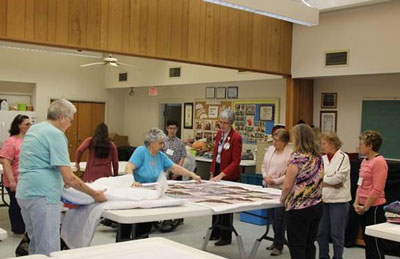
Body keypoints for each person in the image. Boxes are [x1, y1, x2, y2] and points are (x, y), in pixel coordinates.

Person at [16, 99, 107, 256]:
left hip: (25, 192)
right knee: (49, 246)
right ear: (61, 117)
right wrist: (95, 194)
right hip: (43, 195)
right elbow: (69, 178)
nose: (70, 125)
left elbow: (39, 161)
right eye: (70, 120)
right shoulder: (55, 134)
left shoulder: (35, 129)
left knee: (35, 241)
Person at [122, 127, 201, 239]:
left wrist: (192, 175)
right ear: (151, 142)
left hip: (151, 195)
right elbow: (129, 166)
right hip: (136, 193)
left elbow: (174, 167)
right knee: (128, 223)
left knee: (145, 226)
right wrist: (132, 180)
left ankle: (141, 243)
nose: (162, 145)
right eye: (160, 143)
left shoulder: (160, 156)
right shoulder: (141, 151)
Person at [280, 124, 323, 259]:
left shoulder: (297, 158)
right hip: (316, 204)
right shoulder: (318, 157)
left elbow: (287, 185)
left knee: (297, 244)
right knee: (310, 243)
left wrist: (282, 199)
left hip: (299, 207)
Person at [209, 109, 242, 246]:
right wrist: (212, 172)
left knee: (225, 207)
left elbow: (236, 162)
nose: (222, 126)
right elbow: (215, 153)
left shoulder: (236, 137)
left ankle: (225, 236)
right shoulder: (219, 134)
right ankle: (215, 231)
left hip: (228, 174)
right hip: (217, 169)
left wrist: (222, 174)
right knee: (215, 204)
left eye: (225, 123)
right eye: (220, 122)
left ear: (231, 123)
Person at [353, 130, 388, 259]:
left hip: (373, 208)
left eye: (362, 144)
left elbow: (377, 189)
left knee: (375, 243)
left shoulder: (379, 162)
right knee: (368, 241)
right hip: (362, 207)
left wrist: (366, 207)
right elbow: (359, 184)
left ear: (370, 146)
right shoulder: (364, 161)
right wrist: (356, 202)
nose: (359, 147)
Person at [317, 132, 351, 259]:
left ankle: (338, 257)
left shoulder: (343, 157)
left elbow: (338, 178)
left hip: (339, 201)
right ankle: (323, 256)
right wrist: (328, 182)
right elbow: (316, 177)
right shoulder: (322, 158)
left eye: (324, 143)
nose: (322, 146)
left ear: (332, 144)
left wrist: (323, 180)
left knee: (337, 234)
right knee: (321, 233)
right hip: (323, 200)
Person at [261, 128, 292, 256]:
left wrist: (276, 181)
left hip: (280, 189)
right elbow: (263, 165)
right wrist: (265, 176)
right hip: (268, 187)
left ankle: (279, 245)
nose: (274, 143)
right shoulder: (270, 150)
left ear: (284, 142)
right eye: (274, 140)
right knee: (272, 217)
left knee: (280, 218)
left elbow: (289, 174)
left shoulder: (290, 153)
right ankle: (276, 240)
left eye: (277, 141)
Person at [0, 114, 31, 235]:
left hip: (26, 179)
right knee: (16, 204)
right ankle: (17, 229)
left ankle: (25, 227)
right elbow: (5, 162)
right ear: (19, 125)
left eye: (30, 124)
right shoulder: (11, 141)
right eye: (26, 124)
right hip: (14, 179)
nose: (29, 126)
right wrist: (12, 181)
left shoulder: (29, 139)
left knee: (25, 205)